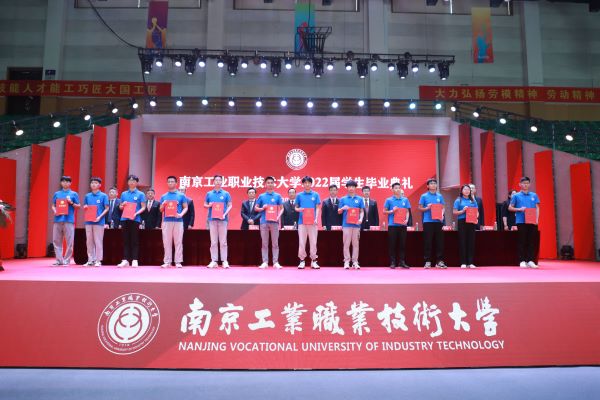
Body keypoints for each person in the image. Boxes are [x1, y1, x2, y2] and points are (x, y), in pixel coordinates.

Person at [509, 177, 540, 269]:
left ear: (529, 184)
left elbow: (537, 208)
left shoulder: (534, 195)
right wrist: (519, 209)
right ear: (520, 184)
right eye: (523, 183)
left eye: (527, 183)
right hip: (521, 221)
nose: (525, 185)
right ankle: (522, 260)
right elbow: (510, 208)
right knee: (522, 241)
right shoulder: (516, 196)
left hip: (532, 221)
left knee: (531, 241)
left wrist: (537, 219)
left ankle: (530, 260)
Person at [117, 175, 146, 268]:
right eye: (130, 180)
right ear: (127, 182)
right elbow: (120, 207)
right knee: (125, 240)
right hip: (124, 219)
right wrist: (122, 205)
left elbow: (143, 207)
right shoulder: (124, 194)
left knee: (134, 240)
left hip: (135, 219)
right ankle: (125, 260)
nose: (131, 182)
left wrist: (136, 213)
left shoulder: (141, 194)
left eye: (133, 181)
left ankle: (134, 259)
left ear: (137, 182)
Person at [255, 176, 284, 269]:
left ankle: (275, 262)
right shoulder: (261, 196)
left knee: (275, 243)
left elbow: (282, 208)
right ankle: (265, 262)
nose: (270, 184)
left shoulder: (278, 196)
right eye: (268, 183)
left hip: (275, 222)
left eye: (271, 182)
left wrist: (278, 217)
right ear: (265, 184)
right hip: (264, 222)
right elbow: (256, 208)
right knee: (264, 243)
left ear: (274, 184)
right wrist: (262, 208)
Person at [159, 176, 188, 268]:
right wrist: (163, 204)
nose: (170, 183)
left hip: (178, 221)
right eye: (169, 181)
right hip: (166, 221)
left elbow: (185, 207)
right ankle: (167, 261)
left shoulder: (181, 195)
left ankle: (178, 261)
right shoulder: (163, 196)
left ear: (176, 183)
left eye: (172, 181)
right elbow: (160, 210)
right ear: (167, 183)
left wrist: (181, 214)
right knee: (166, 242)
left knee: (178, 241)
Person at [51, 176, 80, 266]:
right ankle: (59, 260)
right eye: (63, 181)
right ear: (61, 183)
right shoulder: (57, 194)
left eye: (67, 181)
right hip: (57, 220)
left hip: (69, 220)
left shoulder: (74, 194)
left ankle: (66, 260)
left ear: (70, 183)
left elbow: (78, 206)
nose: (65, 183)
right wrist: (55, 211)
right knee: (56, 241)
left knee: (70, 241)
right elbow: (53, 205)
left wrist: (71, 202)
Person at [204, 175, 232, 268]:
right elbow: (205, 204)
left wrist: (224, 214)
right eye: (216, 180)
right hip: (212, 220)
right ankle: (214, 261)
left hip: (223, 220)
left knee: (223, 241)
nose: (218, 182)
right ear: (213, 181)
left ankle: (224, 260)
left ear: (222, 182)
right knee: (213, 241)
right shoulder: (209, 194)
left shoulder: (226, 193)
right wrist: (209, 205)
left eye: (220, 180)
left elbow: (230, 205)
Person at [418, 178, 446, 269]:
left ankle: (439, 261)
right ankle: (427, 261)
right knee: (428, 242)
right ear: (428, 186)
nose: (433, 185)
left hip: (438, 221)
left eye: (434, 183)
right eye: (431, 183)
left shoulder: (440, 196)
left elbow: (443, 207)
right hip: (428, 221)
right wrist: (427, 208)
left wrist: (442, 215)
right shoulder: (424, 196)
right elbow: (420, 208)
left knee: (439, 242)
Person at [295, 176, 321, 269]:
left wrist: (316, 218)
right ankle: (302, 260)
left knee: (313, 242)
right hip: (302, 222)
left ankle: (314, 260)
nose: (307, 184)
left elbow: (317, 208)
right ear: (303, 184)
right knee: (302, 242)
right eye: (305, 183)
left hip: (312, 222)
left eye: (309, 183)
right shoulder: (299, 195)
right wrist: (299, 209)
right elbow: (296, 208)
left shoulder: (316, 194)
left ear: (311, 184)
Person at [82, 177, 109, 267]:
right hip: (88, 221)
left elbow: (107, 208)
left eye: (96, 183)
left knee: (98, 241)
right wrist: (85, 207)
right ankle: (90, 260)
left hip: (99, 222)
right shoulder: (87, 196)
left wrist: (99, 217)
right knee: (89, 241)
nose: (93, 184)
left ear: (99, 185)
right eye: (92, 183)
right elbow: (85, 206)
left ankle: (98, 260)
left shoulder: (103, 196)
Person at [383, 183, 411, 269]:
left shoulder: (405, 200)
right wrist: (392, 211)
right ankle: (392, 262)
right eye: (395, 188)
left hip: (402, 225)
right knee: (392, 244)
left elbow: (407, 211)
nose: (398, 189)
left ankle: (402, 262)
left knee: (402, 244)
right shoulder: (389, 200)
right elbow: (384, 211)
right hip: (392, 225)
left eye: (399, 188)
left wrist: (407, 219)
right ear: (392, 190)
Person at [338, 180, 364, 269]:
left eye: (353, 186)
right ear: (347, 188)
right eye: (349, 187)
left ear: (355, 188)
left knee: (356, 244)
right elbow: (339, 211)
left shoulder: (360, 199)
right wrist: (342, 208)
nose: (351, 188)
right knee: (346, 244)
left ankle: (355, 261)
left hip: (356, 225)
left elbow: (362, 211)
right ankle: (346, 261)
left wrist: (360, 219)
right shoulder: (343, 199)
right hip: (346, 225)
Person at [453, 184, 479, 269]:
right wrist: (462, 211)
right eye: (465, 189)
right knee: (462, 241)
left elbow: (477, 212)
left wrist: (476, 217)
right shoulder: (458, 200)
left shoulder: (473, 201)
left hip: (471, 221)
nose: (467, 191)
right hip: (462, 221)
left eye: (468, 189)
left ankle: (470, 262)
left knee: (471, 241)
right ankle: (463, 262)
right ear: (461, 191)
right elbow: (454, 212)